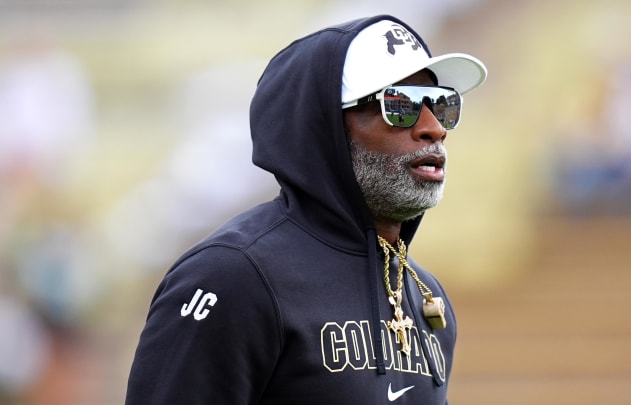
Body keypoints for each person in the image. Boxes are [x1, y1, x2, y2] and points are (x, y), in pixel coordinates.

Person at [125, 14, 486, 404]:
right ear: (323, 125)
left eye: (441, 104)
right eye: (400, 105)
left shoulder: (423, 292)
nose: (434, 127)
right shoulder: (233, 276)